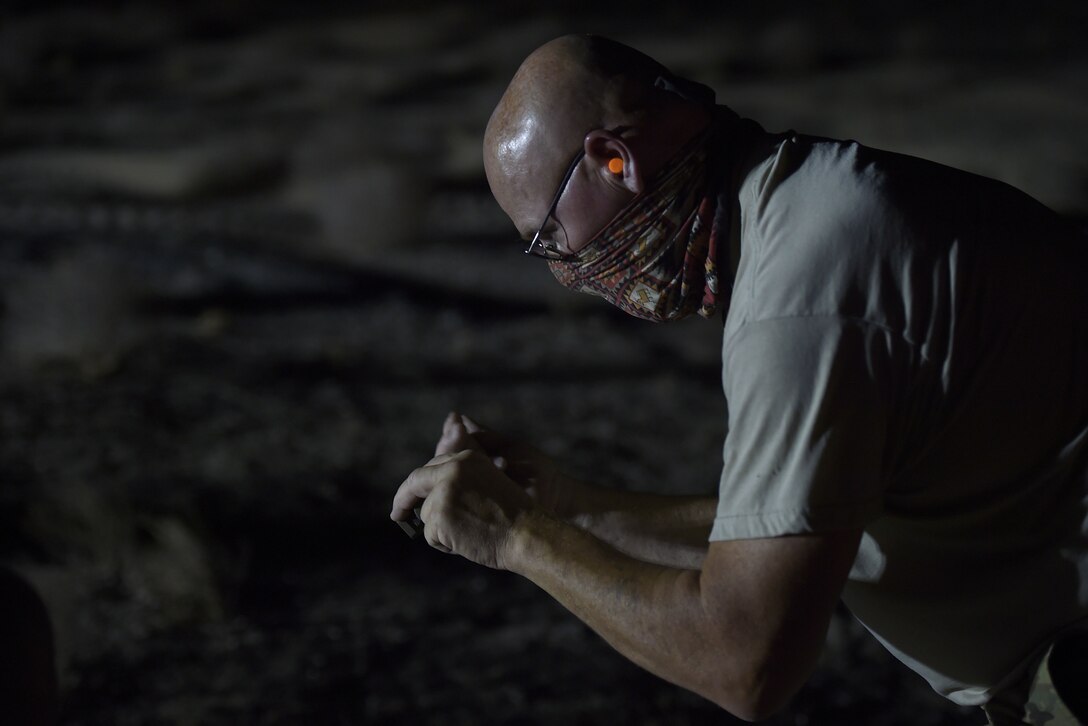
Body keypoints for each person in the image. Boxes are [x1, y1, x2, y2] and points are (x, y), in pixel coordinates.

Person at [390, 34, 1088, 724]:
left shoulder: (802, 301)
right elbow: (779, 539)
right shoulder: (808, 205)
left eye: (548, 238)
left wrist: (516, 535)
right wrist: (564, 505)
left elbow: (744, 662)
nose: (562, 274)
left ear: (612, 160)